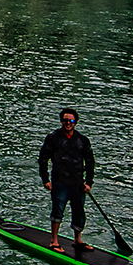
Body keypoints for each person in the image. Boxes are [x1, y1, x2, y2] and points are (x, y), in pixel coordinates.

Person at [38, 108, 95, 254]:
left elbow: (90, 162)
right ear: (61, 121)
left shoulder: (82, 140)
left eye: (70, 121)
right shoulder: (53, 138)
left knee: (79, 212)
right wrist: (45, 179)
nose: (67, 123)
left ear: (75, 122)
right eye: (64, 120)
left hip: (78, 184)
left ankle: (77, 240)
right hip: (59, 181)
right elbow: (43, 159)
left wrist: (88, 182)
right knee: (58, 211)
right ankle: (54, 241)